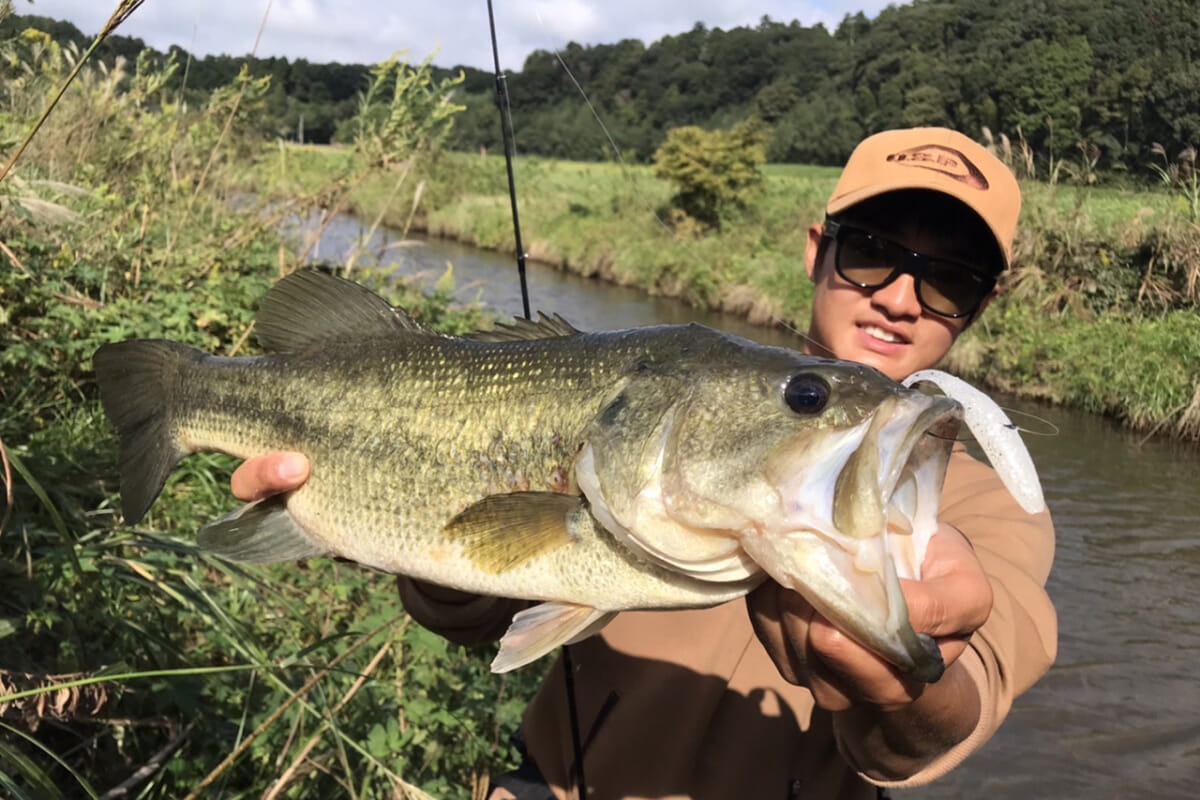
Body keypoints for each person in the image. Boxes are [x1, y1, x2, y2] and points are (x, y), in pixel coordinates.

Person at [231, 127, 1057, 799]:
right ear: (819, 249)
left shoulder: (992, 503)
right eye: (873, 251)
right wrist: (406, 529)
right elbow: (474, 617)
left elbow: (956, 711)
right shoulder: (676, 388)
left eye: (950, 278)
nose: (901, 296)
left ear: (983, 303)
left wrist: (915, 680)